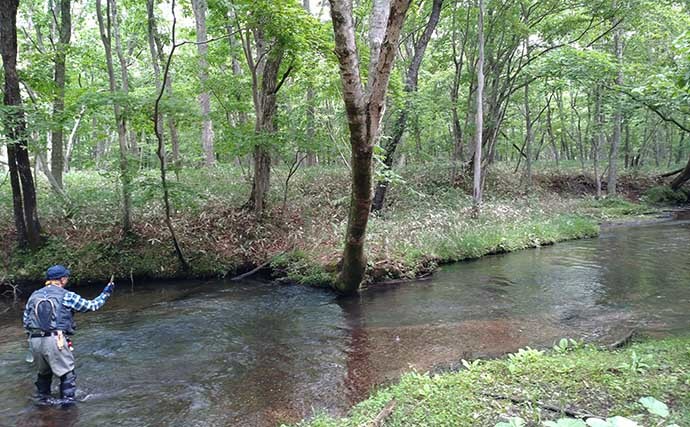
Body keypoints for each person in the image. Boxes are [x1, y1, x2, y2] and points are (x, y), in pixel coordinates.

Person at [23, 265, 115, 406]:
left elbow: (26, 321)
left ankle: (41, 405)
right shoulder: (66, 295)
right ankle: (67, 407)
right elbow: (92, 306)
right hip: (56, 340)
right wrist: (106, 293)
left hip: (34, 341)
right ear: (63, 279)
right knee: (67, 374)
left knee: (44, 374)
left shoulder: (33, 295)